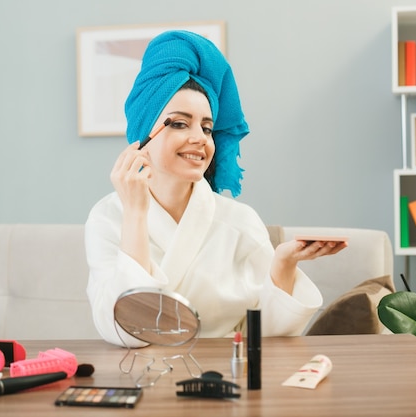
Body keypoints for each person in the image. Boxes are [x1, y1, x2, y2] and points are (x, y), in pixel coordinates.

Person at [85, 30, 346, 347]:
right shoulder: (108, 217)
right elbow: (125, 330)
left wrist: (283, 264)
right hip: (141, 376)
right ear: (142, 137)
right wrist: (136, 213)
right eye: (180, 123)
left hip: (226, 377)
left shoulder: (240, 221)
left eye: (207, 128)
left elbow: (265, 333)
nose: (200, 138)